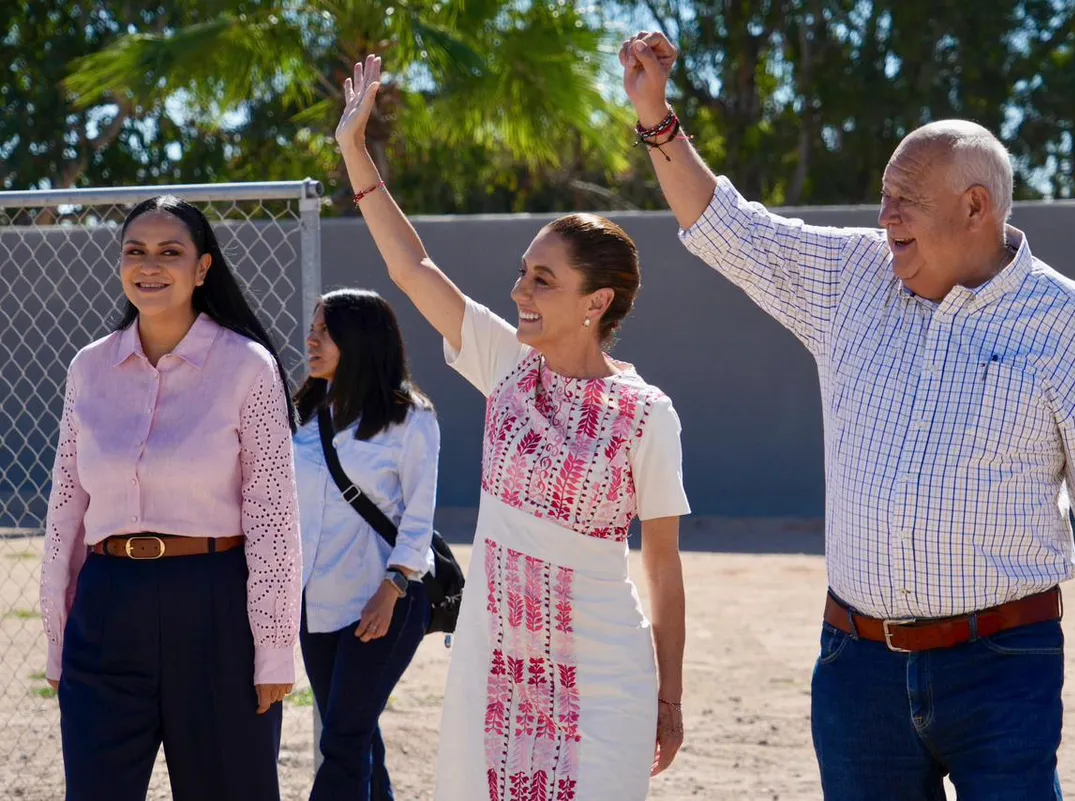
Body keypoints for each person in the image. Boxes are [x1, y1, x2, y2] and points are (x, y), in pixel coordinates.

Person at [619, 31, 1075, 801]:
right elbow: (730, 228)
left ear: (976, 207)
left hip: (1004, 664)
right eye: (883, 197)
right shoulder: (853, 276)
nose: (884, 217)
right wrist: (657, 117)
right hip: (858, 670)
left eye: (904, 199)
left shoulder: (1063, 320)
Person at [335, 55, 691, 801]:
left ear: (596, 302)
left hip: (606, 677)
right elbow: (412, 268)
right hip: (494, 667)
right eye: (525, 271)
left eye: (542, 280)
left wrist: (669, 697)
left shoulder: (647, 414)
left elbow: (662, 569)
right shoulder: (505, 366)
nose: (519, 289)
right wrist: (354, 150)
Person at [39, 195, 302, 801]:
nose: (149, 265)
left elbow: (273, 518)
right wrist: (58, 638)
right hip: (107, 607)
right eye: (135, 250)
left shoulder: (248, 367)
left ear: (202, 268)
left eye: (170, 252)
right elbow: (66, 510)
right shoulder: (88, 369)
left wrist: (273, 650)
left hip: (214, 607)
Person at [293, 288, 438, 800]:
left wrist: (392, 587)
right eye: (313, 329)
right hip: (316, 604)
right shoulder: (304, 414)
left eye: (325, 331)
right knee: (356, 733)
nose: (311, 340)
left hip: (384, 602)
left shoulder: (410, 418)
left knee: (344, 740)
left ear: (359, 340)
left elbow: (419, 517)